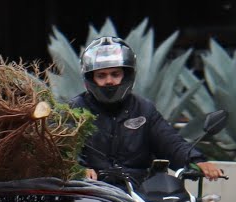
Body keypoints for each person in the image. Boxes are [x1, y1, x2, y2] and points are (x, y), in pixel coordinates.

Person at [72, 37, 223, 186]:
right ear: (90, 79)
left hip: (139, 193)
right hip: (91, 193)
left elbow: (170, 142)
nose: (109, 81)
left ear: (127, 75)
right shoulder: (74, 111)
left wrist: (196, 160)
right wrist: (77, 169)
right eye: (101, 75)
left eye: (115, 74)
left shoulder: (143, 109)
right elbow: (60, 152)